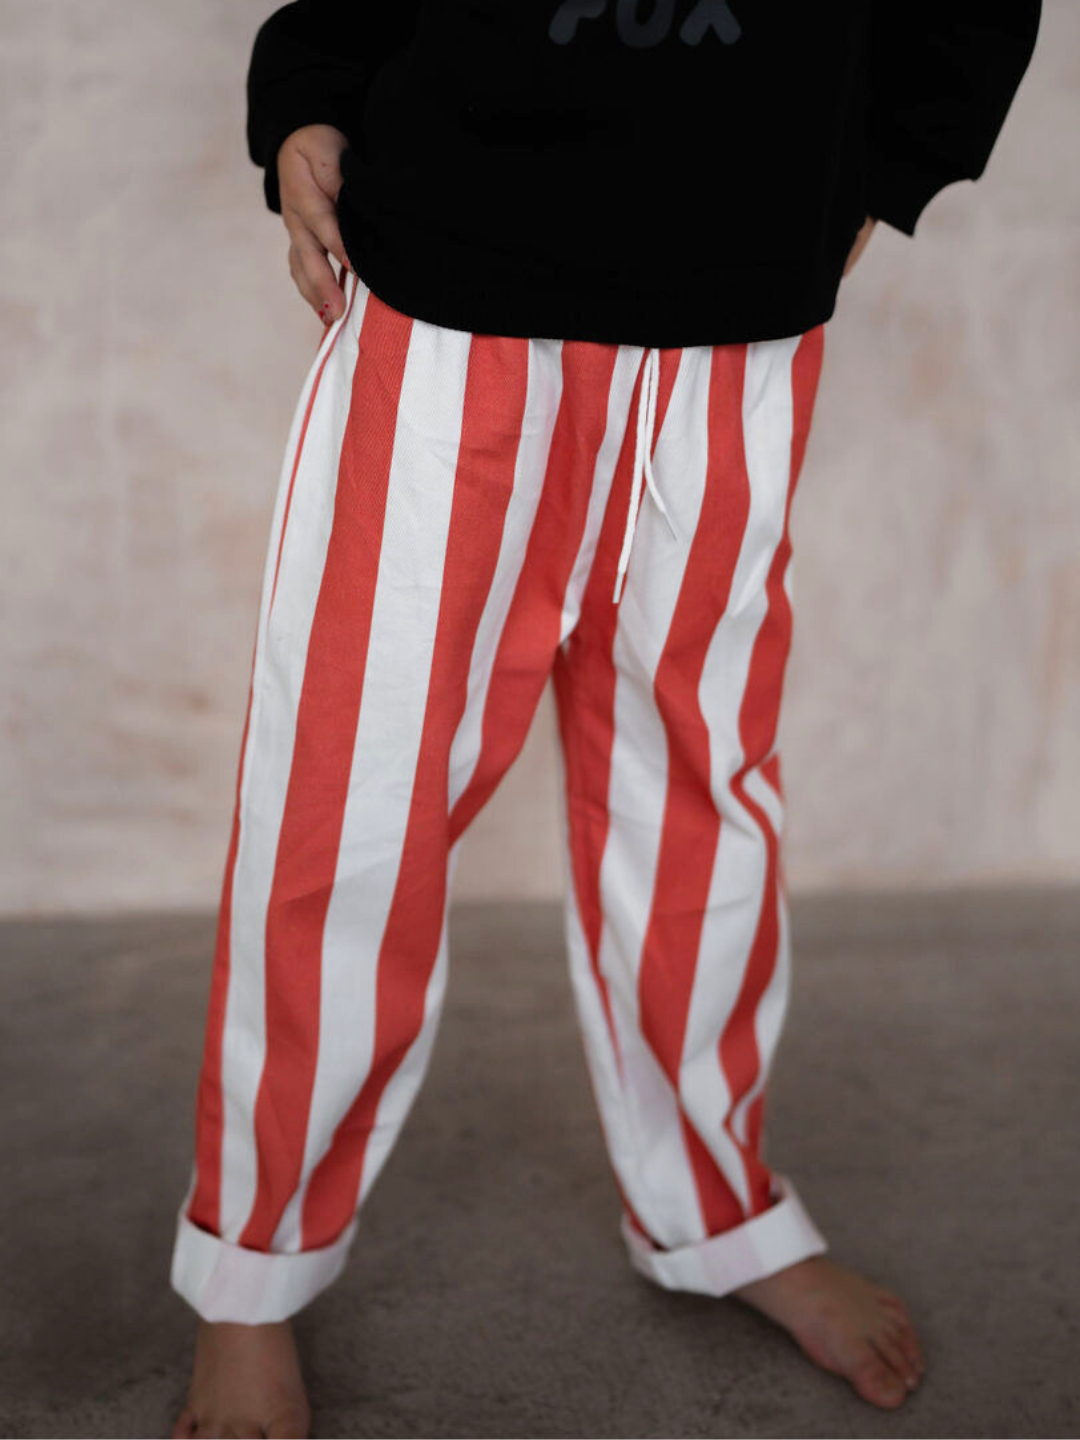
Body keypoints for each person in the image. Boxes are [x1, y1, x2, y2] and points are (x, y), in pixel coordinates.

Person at [169, 3, 1041, 1435]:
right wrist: (316, 87)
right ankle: (251, 1272)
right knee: (355, 799)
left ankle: (719, 1211)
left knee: (699, 784)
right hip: (454, 288)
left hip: (741, 286)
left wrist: (890, 155)